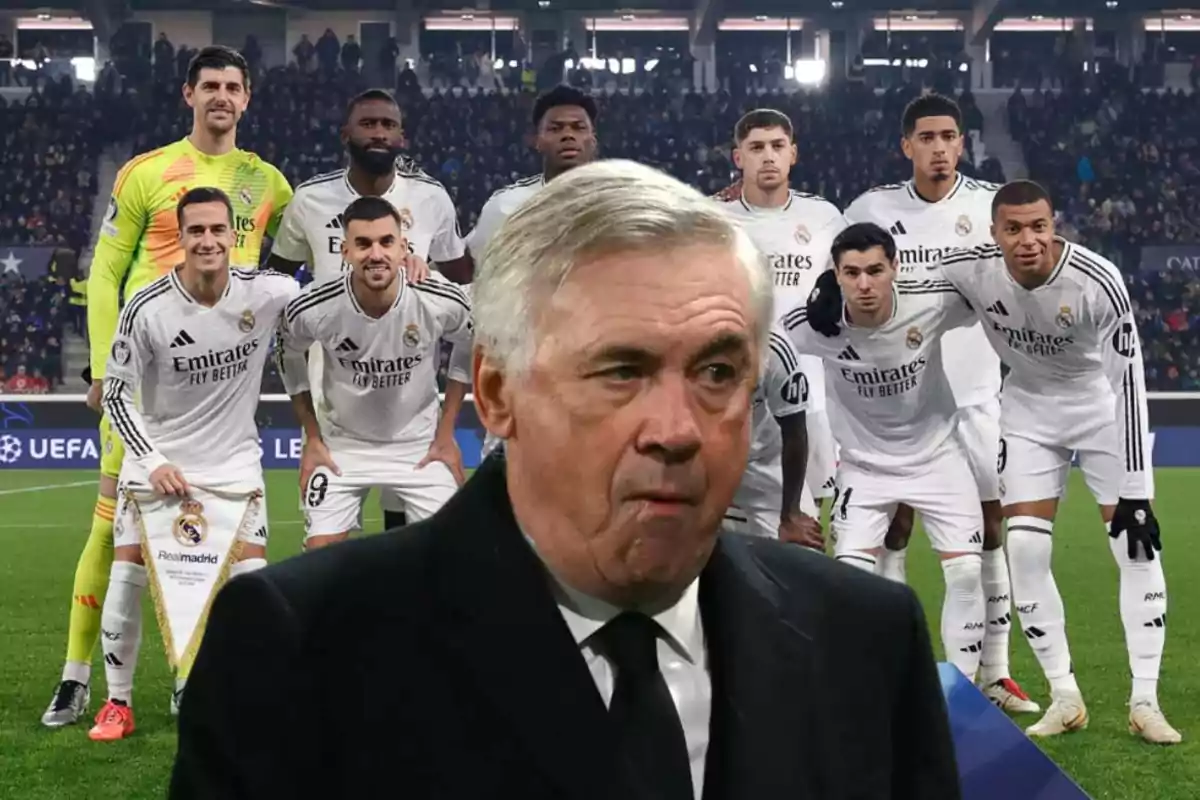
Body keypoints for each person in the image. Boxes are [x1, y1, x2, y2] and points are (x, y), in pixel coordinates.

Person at [170, 160, 960, 799]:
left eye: (719, 372)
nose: (678, 430)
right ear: (498, 393)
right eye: (621, 371)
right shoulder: (298, 650)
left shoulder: (869, 640)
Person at [42, 45, 293, 729]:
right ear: (189, 94)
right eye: (208, 84)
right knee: (110, 536)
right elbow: (103, 272)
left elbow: (287, 277)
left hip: (216, 391)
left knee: (217, 544)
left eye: (232, 86)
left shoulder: (267, 183)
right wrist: (101, 366)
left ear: (247, 99)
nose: (220, 96)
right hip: (142, 379)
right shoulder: (144, 172)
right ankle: (77, 678)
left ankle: (196, 678)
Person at [933, 181, 1176, 744]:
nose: (1028, 240)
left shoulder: (1098, 280)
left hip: (1101, 410)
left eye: (1038, 226)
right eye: (1013, 229)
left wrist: (1137, 490)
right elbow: (908, 290)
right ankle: (1064, 695)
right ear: (994, 234)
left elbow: (1130, 381)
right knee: (1023, 546)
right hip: (1027, 412)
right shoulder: (971, 270)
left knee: (1135, 545)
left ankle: (1145, 700)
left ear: (1054, 225)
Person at [88, 188, 300, 741]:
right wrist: (153, 460)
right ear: (178, 239)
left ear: (234, 235)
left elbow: (329, 296)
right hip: (159, 463)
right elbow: (115, 396)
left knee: (253, 584)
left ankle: (246, 695)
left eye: (216, 230)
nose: (207, 240)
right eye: (195, 231)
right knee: (127, 572)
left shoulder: (270, 291)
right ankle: (118, 704)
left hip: (232, 465)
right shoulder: (147, 307)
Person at [783, 223, 986, 682]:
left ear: (895, 267)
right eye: (851, 273)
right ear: (835, 273)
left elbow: (989, 291)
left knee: (967, 574)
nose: (864, 284)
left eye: (875, 270)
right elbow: (763, 353)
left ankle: (963, 697)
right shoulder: (810, 324)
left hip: (938, 457)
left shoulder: (931, 299)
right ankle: (877, 692)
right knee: (852, 588)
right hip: (863, 466)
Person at [265, 87, 464, 531]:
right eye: (368, 124)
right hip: (332, 390)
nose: (378, 132)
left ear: (402, 138)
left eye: (388, 125)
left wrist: (424, 271)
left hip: (407, 390)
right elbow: (277, 277)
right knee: (332, 535)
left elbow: (458, 279)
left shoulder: (431, 197)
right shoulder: (310, 199)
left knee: (406, 529)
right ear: (345, 134)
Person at [275, 196, 472, 550]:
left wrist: (446, 432)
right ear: (345, 252)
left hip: (420, 446)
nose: (376, 254)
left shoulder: (439, 298)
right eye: (363, 244)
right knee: (319, 560)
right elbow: (287, 353)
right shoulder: (315, 306)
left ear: (403, 248)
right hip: (340, 448)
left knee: (453, 559)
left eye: (386, 242)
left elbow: (470, 342)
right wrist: (313, 439)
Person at [453, 83, 599, 460]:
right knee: (506, 496)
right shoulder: (505, 208)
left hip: (599, 373)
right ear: (537, 140)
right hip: (524, 374)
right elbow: (469, 273)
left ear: (592, 138)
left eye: (578, 127)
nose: (568, 134)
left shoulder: (627, 204)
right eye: (555, 127)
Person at [714, 108, 846, 511]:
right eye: (756, 147)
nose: (768, 156)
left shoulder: (825, 217)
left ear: (793, 154)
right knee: (733, 513)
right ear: (738, 158)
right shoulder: (712, 219)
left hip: (814, 390)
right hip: (741, 389)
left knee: (811, 514)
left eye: (777, 146)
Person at [723, 322, 823, 547]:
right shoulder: (685, 341)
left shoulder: (774, 347)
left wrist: (790, 515)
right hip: (702, 463)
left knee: (806, 554)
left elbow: (795, 431)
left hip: (763, 464)